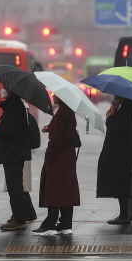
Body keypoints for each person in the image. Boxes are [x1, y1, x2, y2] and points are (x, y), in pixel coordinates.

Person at [33, 95, 80, 235]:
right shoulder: (68, 113)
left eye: (55, 95)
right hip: (67, 157)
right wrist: (50, 128)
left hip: (58, 158)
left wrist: (48, 154)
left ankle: (50, 223)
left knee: (54, 190)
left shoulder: (60, 115)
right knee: (65, 190)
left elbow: (56, 139)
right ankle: (65, 223)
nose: (53, 96)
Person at [0, 85, 37, 231]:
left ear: (12, 90)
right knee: (15, 185)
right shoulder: (14, 105)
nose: (2, 89)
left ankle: (19, 219)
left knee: (15, 186)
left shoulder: (15, 106)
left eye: (5, 87)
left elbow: (9, 130)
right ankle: (21, 214)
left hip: (13, 152)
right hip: (14, 152)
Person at [97, 96, 132, 224]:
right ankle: (123, 214)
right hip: (122, 153)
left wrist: (110, 117)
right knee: (121, 183)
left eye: (117, 95)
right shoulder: (126, 109)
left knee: (122, 183)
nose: (115, 97)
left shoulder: (127, 110)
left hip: (121, 154)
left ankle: (124, 215)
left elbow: (117, 129)